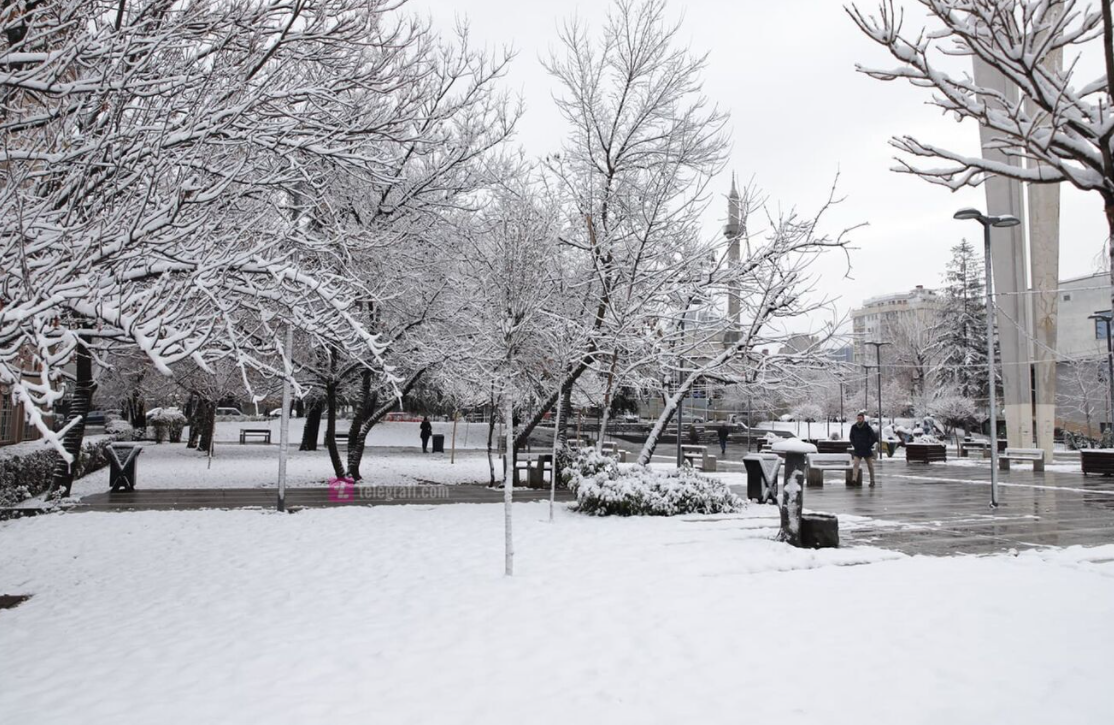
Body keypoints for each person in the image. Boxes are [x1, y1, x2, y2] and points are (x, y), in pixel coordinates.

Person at [849, 411, 878, 486]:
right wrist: (855, 444)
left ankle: (872, 481)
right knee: (856, 465)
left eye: (860, 418)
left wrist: (868, 445)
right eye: (858, 418)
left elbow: (874, 437)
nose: (858, 420)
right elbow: (851, 437)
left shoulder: (867, 427)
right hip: (858, 449)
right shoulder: (854, 427)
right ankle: (854, 480)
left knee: (870, 466)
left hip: (866, 449)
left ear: (863, 419)